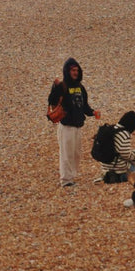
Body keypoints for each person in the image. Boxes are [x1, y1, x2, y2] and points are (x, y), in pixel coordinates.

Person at [47, 57, 96, 186]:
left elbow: (84, 105)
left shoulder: (81, 87)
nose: (75, 73)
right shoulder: (62, 86)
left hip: (78, 126)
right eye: (73, 70)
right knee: (66, 153)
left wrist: (93, 112)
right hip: (66, 126)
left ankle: (71, 177)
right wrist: (55, 88)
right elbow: (52, 101)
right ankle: (66, 180)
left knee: (76, 154)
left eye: (77, 70)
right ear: (67, 71)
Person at [94, 110, 135, 183]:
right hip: (119, 171)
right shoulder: (124, 134)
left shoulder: (112, 128)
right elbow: (126, 155)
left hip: (105, 169)